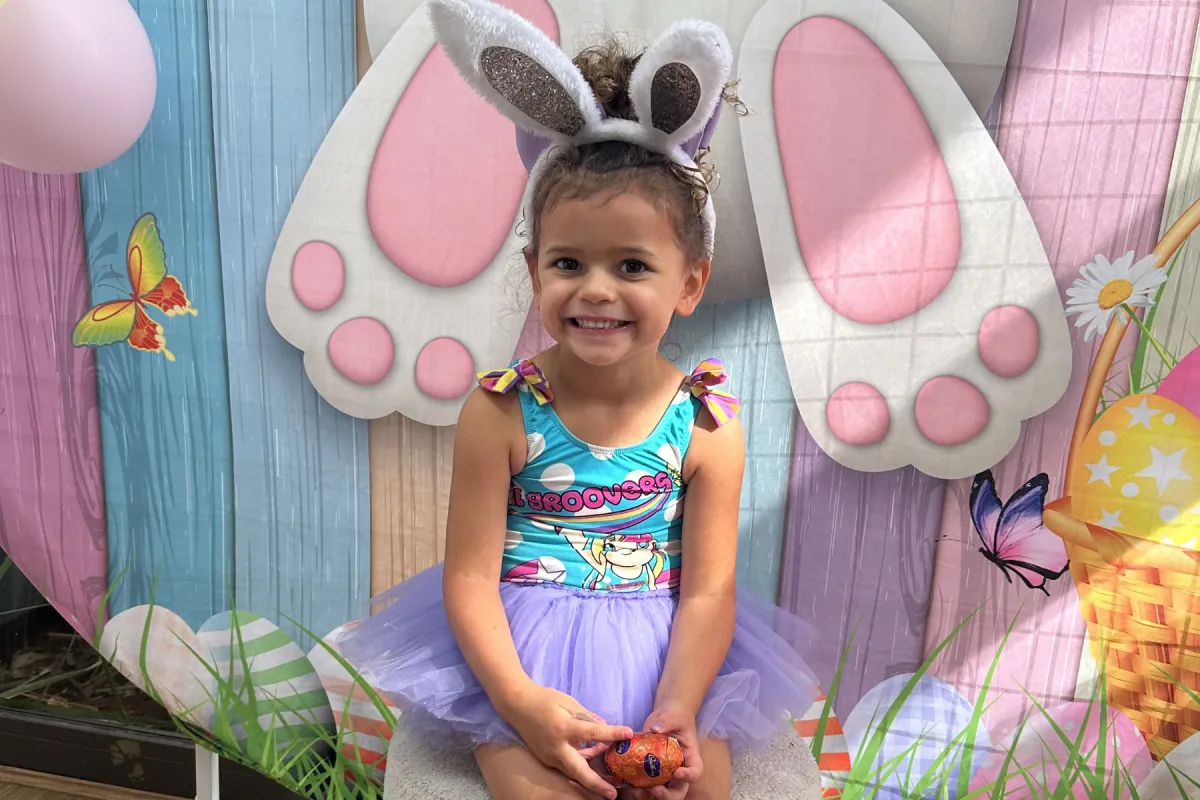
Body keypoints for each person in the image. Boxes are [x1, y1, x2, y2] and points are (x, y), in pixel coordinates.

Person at [340, 1, 820, 797]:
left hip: (665, 649)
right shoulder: (502, 411)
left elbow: (708, 591)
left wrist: (679, 708)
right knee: (538, 792)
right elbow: (469, 579)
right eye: (569, 263)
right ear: (536, 274)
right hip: (523, 653)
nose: (596, 290)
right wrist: (518, 703)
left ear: (689, 283)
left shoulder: (705, 425)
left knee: (703, 790)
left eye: (632, 266)